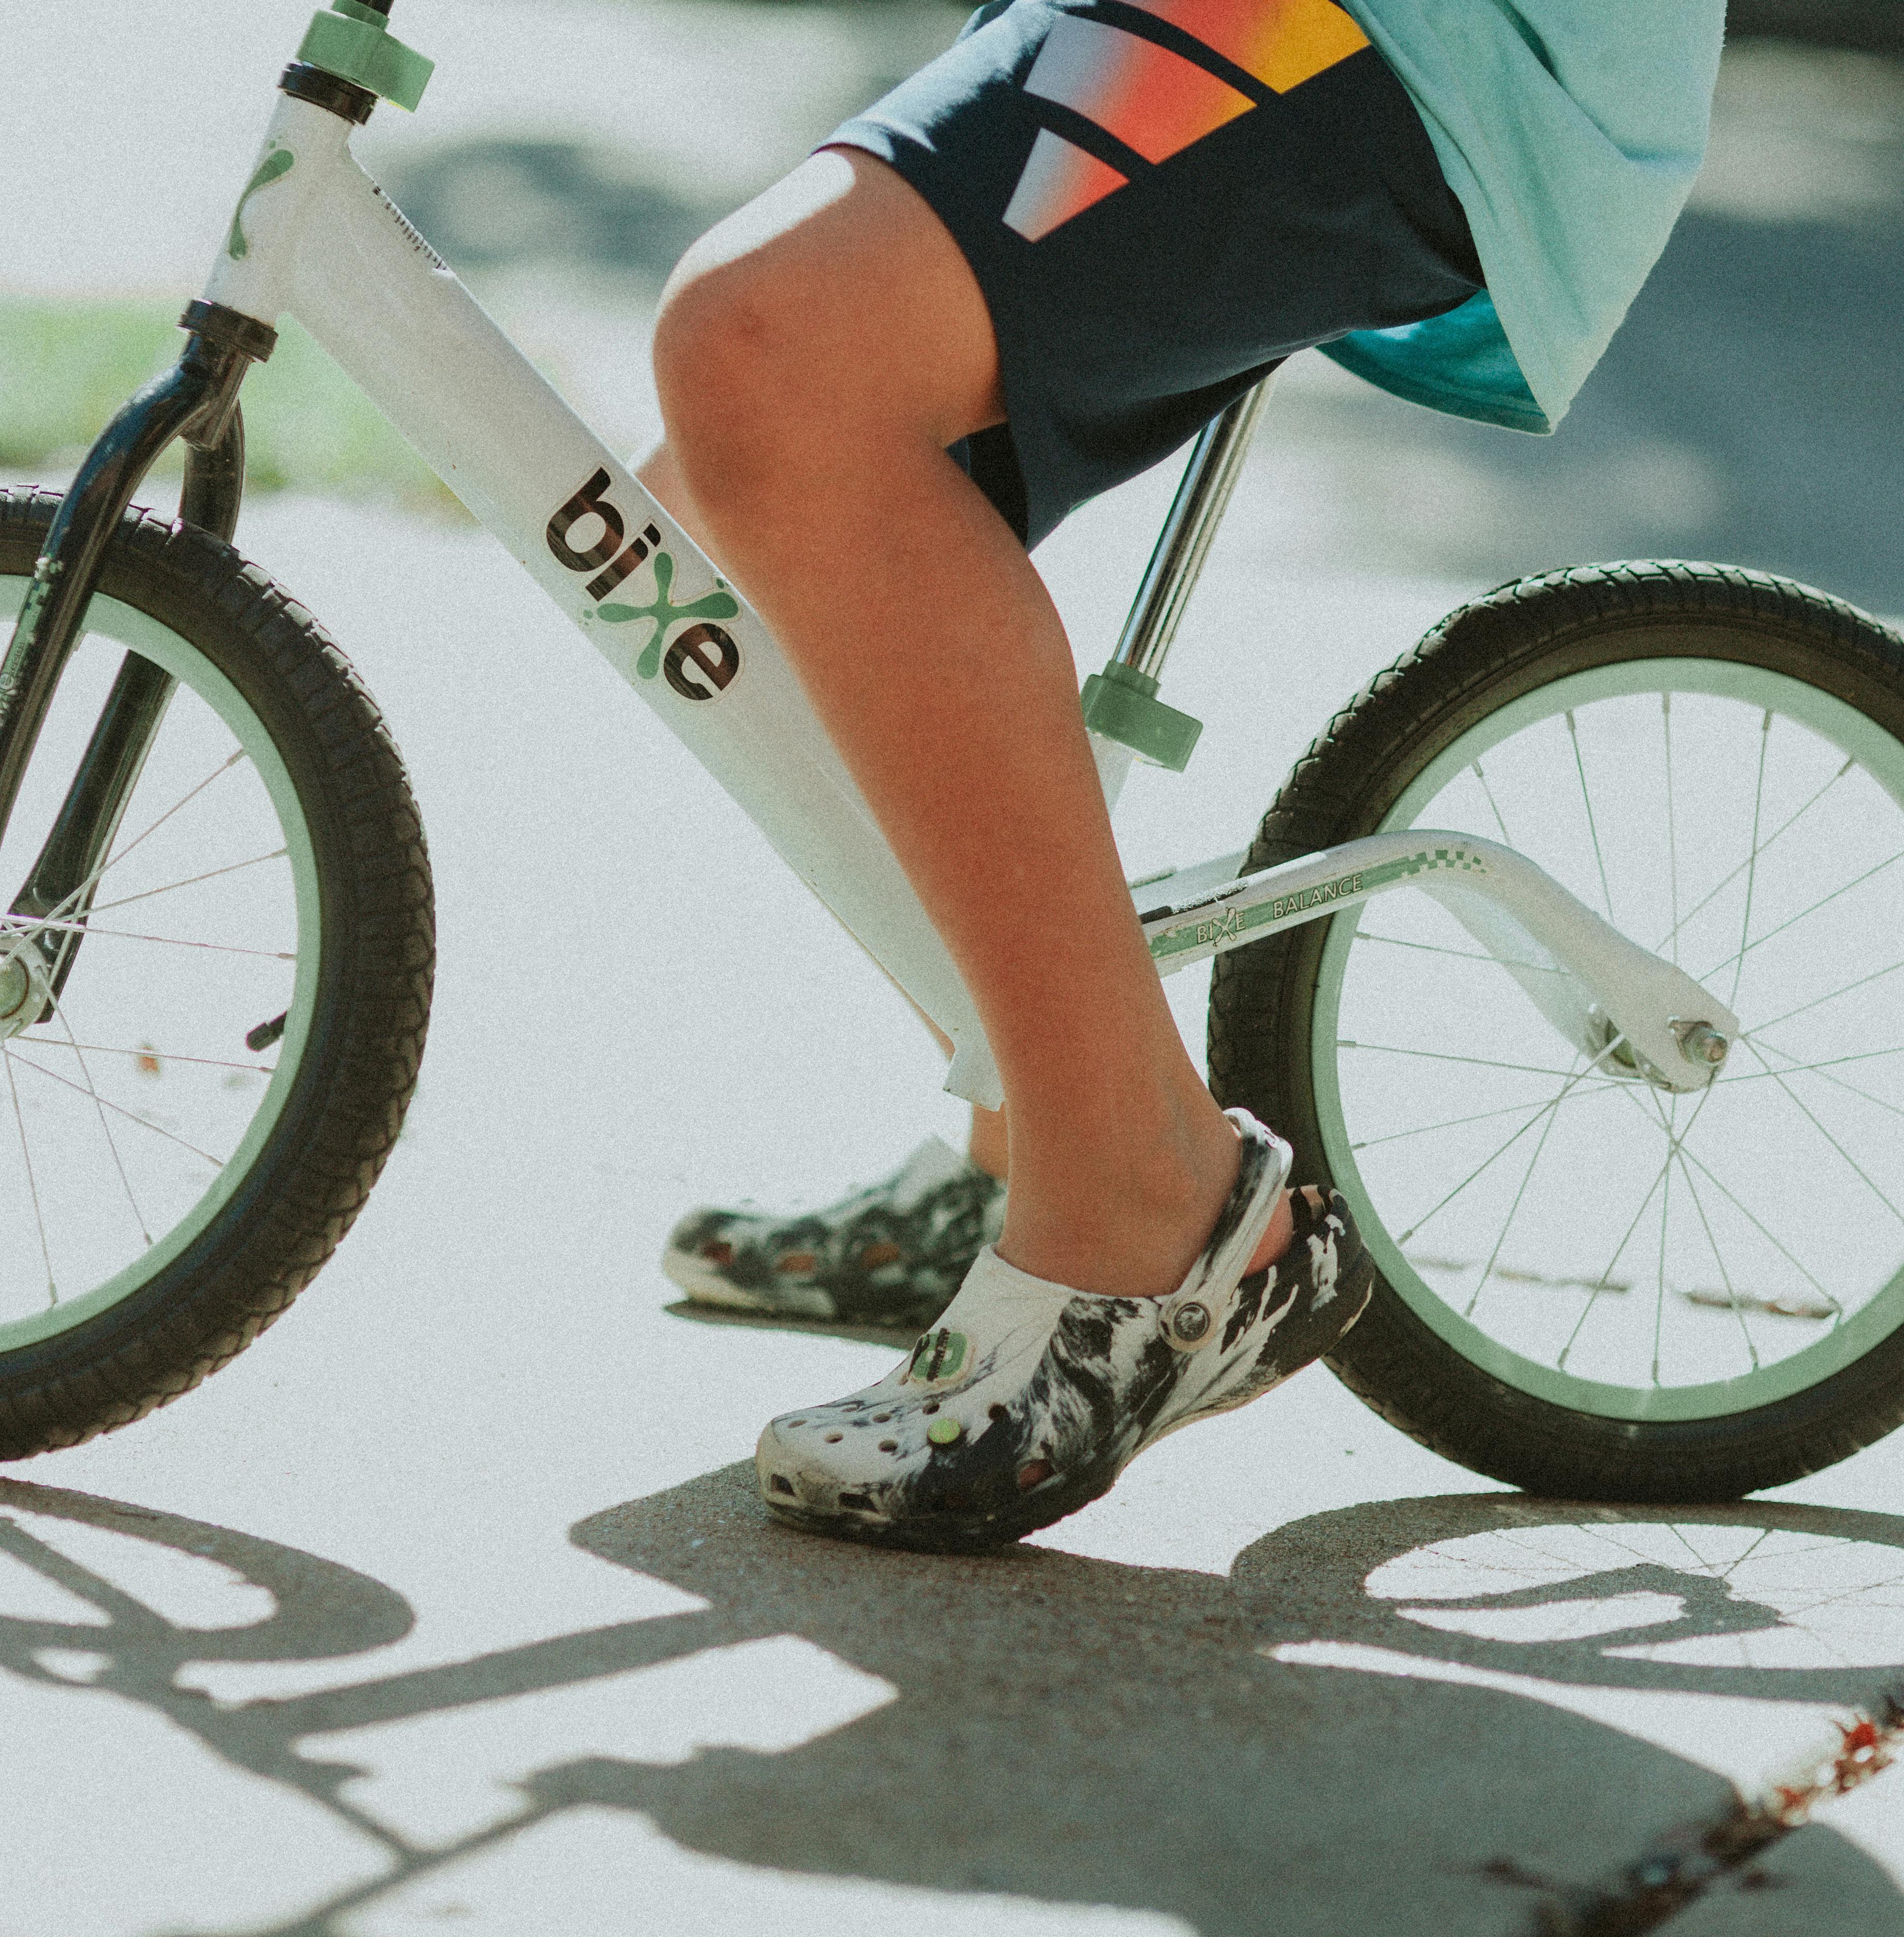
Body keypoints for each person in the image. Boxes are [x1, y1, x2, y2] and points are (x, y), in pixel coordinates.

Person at [636, 0, 1725, 1548]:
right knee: (717, 494)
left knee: (771, 355)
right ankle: (1028, 1121)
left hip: (1428, 39)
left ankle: (1144, 1203)